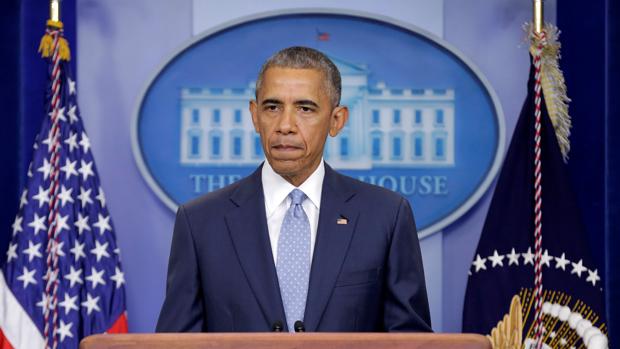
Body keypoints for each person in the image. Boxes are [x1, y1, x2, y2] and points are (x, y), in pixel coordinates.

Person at [156, 46, 432, 332]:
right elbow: (177, 341)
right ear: (254, 116)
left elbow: (410, 340)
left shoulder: (386, 215)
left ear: (336, 121)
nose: (285, 125)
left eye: (305, 108)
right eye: (272, 107)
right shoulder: (200, 221)